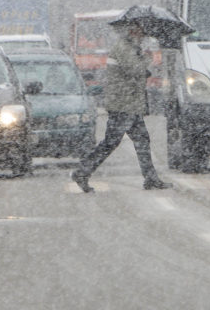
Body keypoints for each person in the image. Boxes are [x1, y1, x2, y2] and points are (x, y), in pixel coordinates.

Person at [72, 22, 171, 192]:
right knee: (112, 142)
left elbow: (134, 71)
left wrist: (142, 60)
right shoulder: (124, 48)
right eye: (141, 31)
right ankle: (83, 171)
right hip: (123, 104)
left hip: (129, 104)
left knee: (141, 140)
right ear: (132, 31)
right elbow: (134, 70)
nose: (143, 35)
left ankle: (150, 178)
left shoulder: (130, 48)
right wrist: (147, 59)